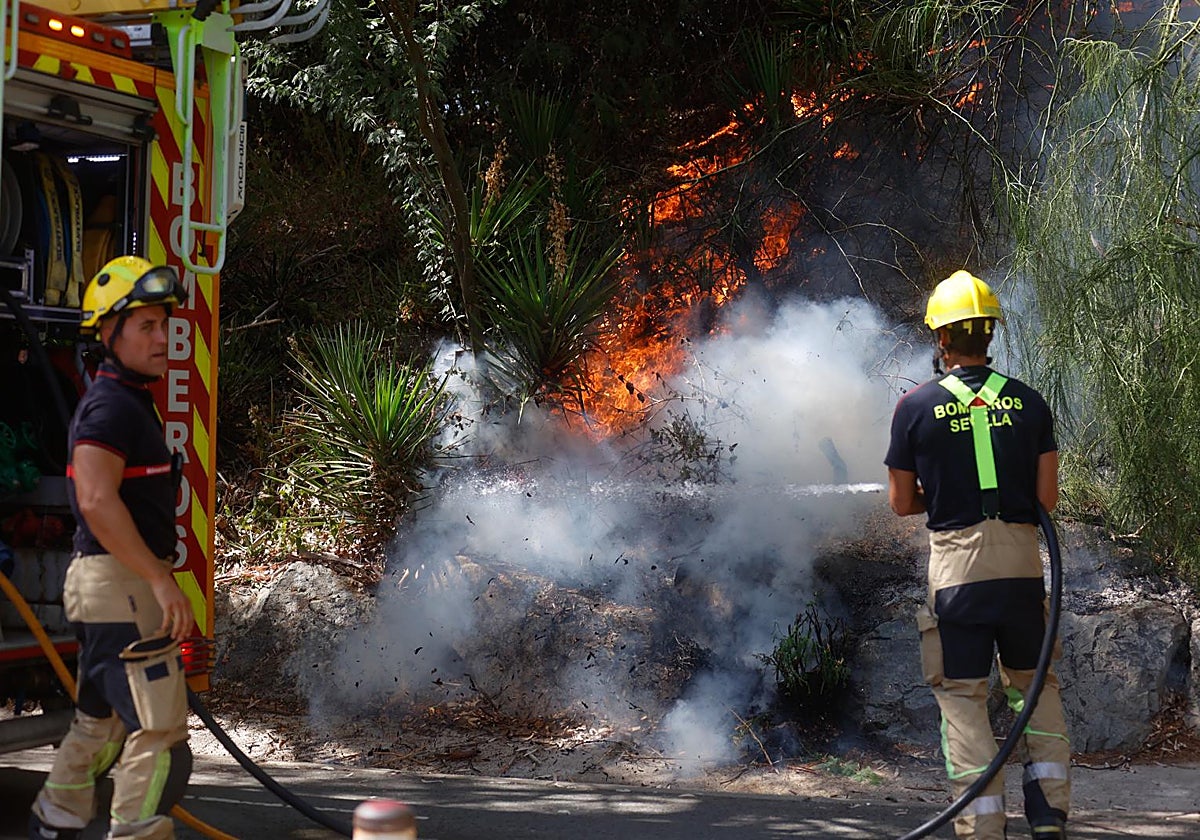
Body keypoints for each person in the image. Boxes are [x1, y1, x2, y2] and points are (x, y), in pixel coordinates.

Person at [885, 270, 1070, 840]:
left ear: (940, 339)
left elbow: (900, 503)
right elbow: (1046, 499)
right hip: (1021, 571)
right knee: (1033, 687)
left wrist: (942, 493)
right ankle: (1049, 820)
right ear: (990, 333)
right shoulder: (1029, 402)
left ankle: (983, 829)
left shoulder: (914, 407)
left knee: (963, 699)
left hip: (957, 572)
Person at [31, 256, 194, 840]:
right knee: (160, 735)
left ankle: (55, 820)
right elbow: (98, 502)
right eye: (145, 326)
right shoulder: (108, 407)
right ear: (108, 333)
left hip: (114, 588)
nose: (161, 337)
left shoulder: (129, 401)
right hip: (121, 587)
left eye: (163, 325)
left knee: (99, 724)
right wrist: (158, 578)